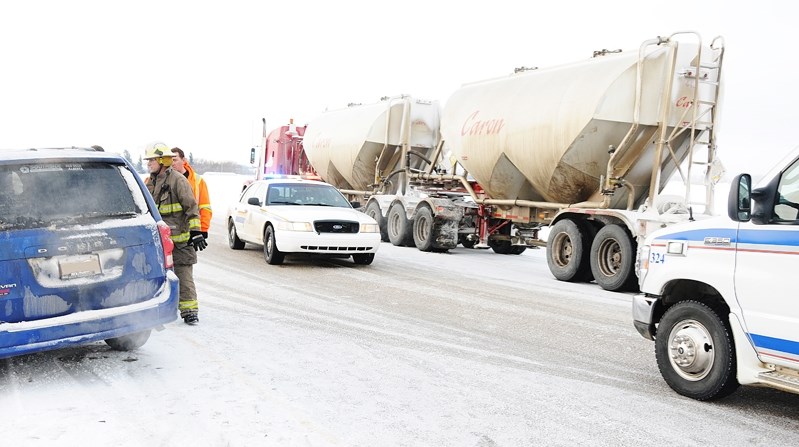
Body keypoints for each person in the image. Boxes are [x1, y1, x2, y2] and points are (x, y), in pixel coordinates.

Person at [143, 141, 206, 325]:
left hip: (180, 241)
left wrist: (196, 231)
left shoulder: (178, 180)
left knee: (183, 274)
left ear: (163, 160)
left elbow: (191, 207)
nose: (148, 164)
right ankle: (159, 310)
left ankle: (189, 311)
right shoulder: (150, 183)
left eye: (152, 160)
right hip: (159, 241)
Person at [170, 147, 212, 238]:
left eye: (175, 160)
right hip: (171, 231)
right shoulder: (164, 179)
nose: (172, 163)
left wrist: (203, 229)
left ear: (183, 160)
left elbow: (205, 206)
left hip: (191, 231)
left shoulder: (198, 181)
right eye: (170, 160)